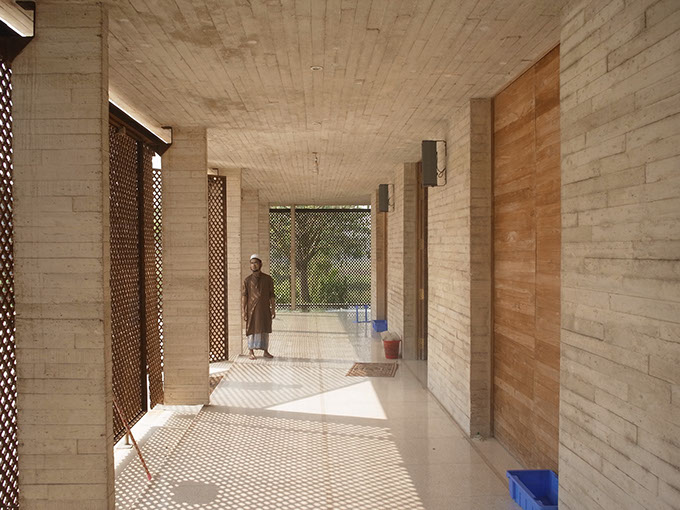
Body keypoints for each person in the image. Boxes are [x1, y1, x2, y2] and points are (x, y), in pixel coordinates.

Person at [241, 254, 276, 360]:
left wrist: (273, 309)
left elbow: (271, 295)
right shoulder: (247, 280)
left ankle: (265, 351)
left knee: (264, 328)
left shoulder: (268, 279)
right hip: (252, 310)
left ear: (260, 264)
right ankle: (250, 351)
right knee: (251, 329)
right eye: (252, 263)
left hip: (264, 309)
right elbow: (244, 296)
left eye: (256, 263)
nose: (254, 265)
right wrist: (244, 310)